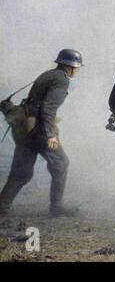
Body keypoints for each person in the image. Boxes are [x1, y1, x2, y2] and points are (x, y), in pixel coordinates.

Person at [0, 49, 84, 217]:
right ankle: (56, 206)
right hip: (39, 129)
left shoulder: (49, 74)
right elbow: (48, 108)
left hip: (25, 128)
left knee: (21, 172)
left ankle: (2, 206)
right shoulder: (61, 80)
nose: (78, 70)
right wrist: (51, 134)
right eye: (78, 67)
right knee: (61, 163)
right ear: (72, 67)